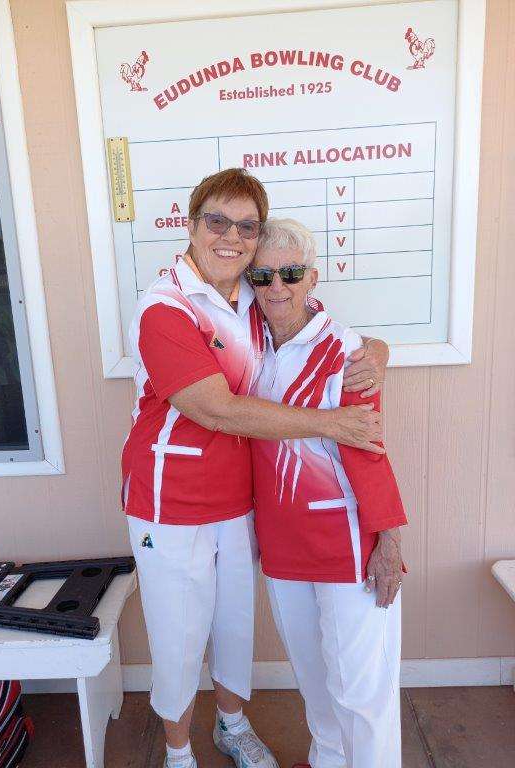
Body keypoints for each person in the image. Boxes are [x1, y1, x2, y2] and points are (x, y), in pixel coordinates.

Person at [121, 169, 389, 768]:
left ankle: (232, 725)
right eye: (216, 221)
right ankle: (177, 749)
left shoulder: (251, 293)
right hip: (171, 501)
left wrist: (376, 354)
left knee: (236, 625)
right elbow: (216, 409)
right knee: (179, 633)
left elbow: (327, 329)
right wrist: (329, 424)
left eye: (246, 226)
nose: (231, 237)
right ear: (190, 226)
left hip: (238, 501)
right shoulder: (164, 308)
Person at [248, 218, 407, 768]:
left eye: (290, 273)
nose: (277, 287)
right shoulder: (247, 345)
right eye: (262, 274)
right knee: (315, 686)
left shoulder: (347, 352)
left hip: (346, 542)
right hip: (283, 544)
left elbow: (368, 449)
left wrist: (387, 540)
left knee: (360, 695)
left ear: (312, 278)